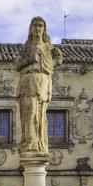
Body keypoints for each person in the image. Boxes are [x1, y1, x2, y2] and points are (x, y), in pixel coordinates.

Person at [15, 16, 63, 155]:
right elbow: (17, 64)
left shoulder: (48, 48)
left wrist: (56, 61)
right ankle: (30, 143)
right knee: (30, 112)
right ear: (31, 28)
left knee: (41, 115)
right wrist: (30, 59)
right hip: (29, 80)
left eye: (40, 26)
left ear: (44, 29)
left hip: (44, 81)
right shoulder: (26, 49)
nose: (38, 28)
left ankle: (40, 144)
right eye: (35, 25)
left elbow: (55, 62)